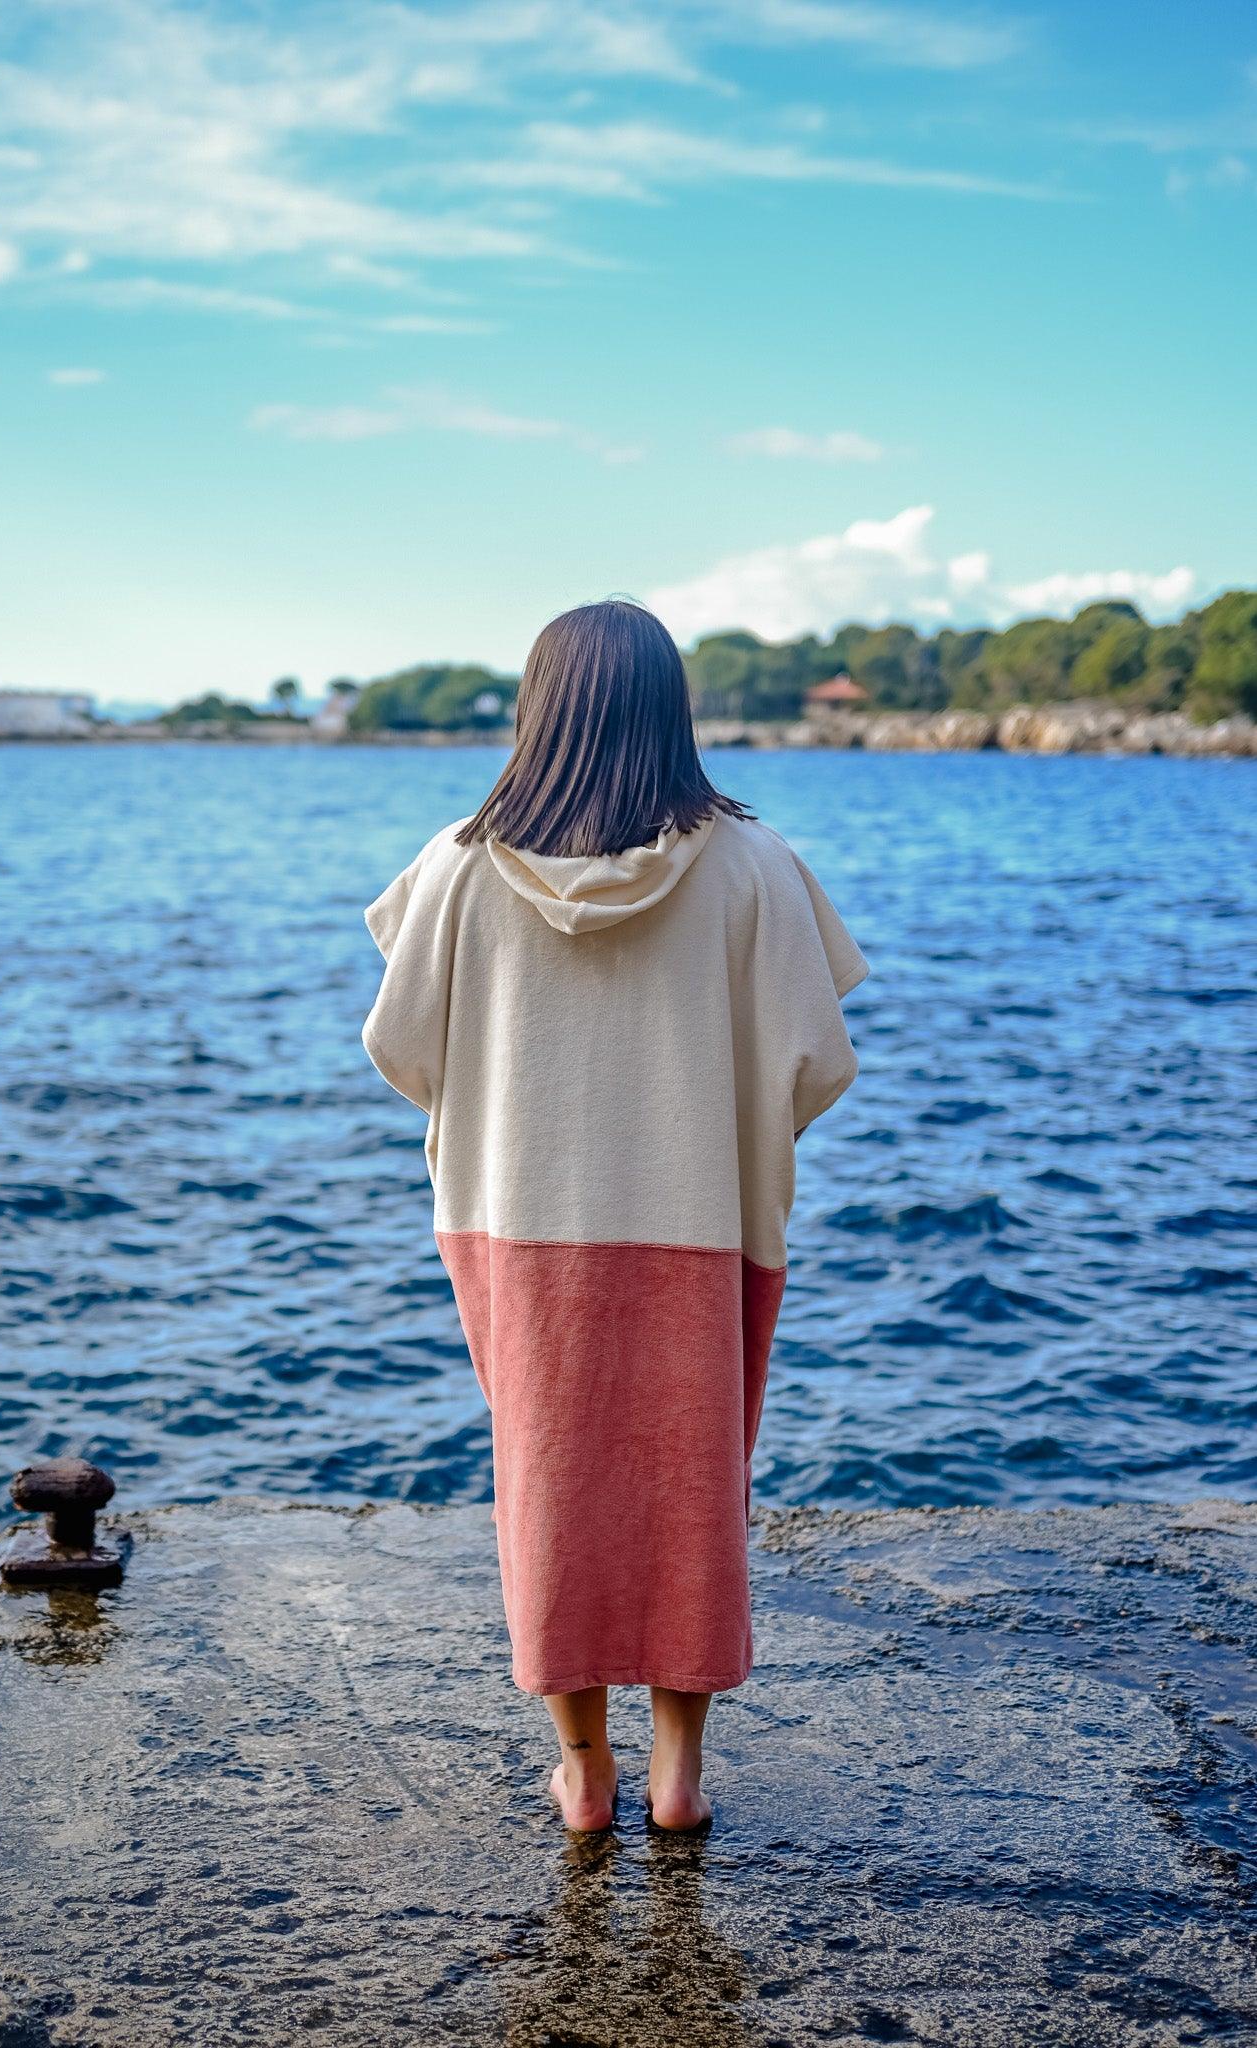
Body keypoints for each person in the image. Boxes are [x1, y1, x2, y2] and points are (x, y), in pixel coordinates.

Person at [361, 599, 866, 1834]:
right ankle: (677, 1774)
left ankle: (583, 1773)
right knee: (691, 1476)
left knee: (549, 1476)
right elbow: (815, 1058)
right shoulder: (753, 862)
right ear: (668, 709)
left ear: (539, 711)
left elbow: (401, 1044)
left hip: (517, 1221)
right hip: (703, 1214)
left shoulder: (458, 864)